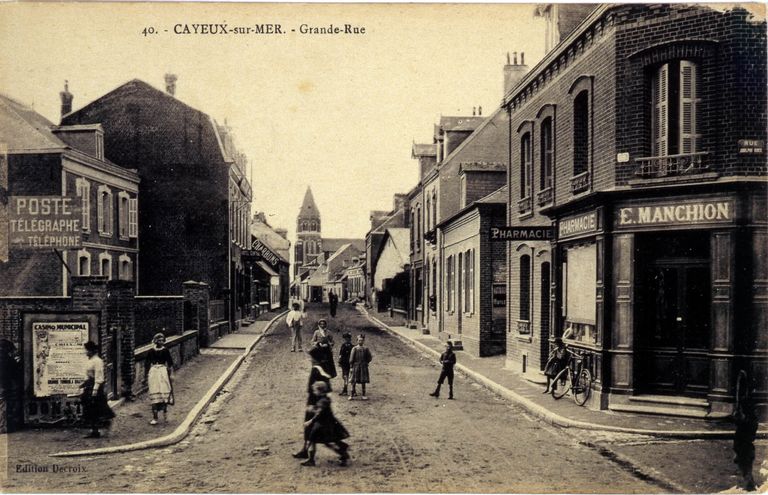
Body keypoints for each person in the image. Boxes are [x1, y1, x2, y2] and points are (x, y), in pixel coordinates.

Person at [293, 346, 334, 460]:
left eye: (312, 358)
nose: (310, 360)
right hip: (313, 401)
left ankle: (308, 454)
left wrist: (316, 404)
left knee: (313, 428)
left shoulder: (317, 370)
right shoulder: (318, 368)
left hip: (315, 403)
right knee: (310, 429)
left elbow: (326, 387)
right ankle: (306, 450)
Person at [298, 381, 350, 467]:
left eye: (315, 390)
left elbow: (319, 414)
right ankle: (343, 451)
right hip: (329, 423)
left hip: (322, 425)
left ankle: (312, 460)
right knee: (330, 442)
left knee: (314, 440)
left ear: (320, 391)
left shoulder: (322, 401)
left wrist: (310, 421)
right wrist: (314, 408)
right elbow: (322, 411)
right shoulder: (325, 399)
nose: (314, 392)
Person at [79, 341, 115, 438]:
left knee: (96, 408)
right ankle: (94, 430)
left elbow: (99, 377)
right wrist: (83, 384)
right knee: (89, 408)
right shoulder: (89, 361)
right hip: (89, 385)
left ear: (91, 351)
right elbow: (88, 375)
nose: (85, 352)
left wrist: (95, 390)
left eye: (87, 350)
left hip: (96, 386)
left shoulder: (98, 361)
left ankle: (99, 428)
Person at [733, 370, 759, 491]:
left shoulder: (746, 402)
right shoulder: (748, 400)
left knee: (744, 458)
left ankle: (750, 484)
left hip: (745, 431)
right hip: (746, 430)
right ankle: (749, 481)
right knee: (744, 455)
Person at [147, 332, 174, 425]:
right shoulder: (151, 351)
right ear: (155, 341)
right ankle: (155, 417)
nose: (161, 342)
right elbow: (147, 364)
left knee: (163, 392)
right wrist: (146, 376)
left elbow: (170, 363)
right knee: (154, 392)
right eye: (159, 340)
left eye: (162, 340)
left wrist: (171, 374)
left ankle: (165, 415)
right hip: (154, 372)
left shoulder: (165, 350)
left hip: (163, 372)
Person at [348, 334, 372, 400]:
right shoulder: (354, 348)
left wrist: (366, 362)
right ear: (357, 341)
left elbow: (369, 357)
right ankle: (351, 395)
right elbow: (351, 359)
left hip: (363, 367)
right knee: (353, 381)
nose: (360, 342)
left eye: (362, 340)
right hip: (356, 366)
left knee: (363, 381)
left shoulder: (366, 348)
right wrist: (351, 367)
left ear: (363, 341)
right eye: (359, 340)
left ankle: (364, 395)